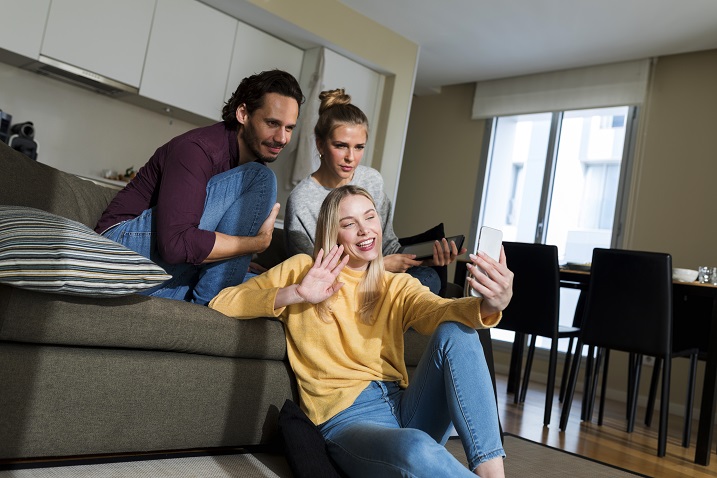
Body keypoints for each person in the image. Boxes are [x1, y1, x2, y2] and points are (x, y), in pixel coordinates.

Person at [210, 185, 512, 477]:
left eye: (370, 217)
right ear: (333, 234)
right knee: (416, 447)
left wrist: (491, 304)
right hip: (347, 422)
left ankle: (493, 474)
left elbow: (441, 311)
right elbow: (224, 301)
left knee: (458, 332)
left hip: (406, 407)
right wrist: (296, 294)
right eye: (349, 223)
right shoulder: (302, 269)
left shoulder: (397, 284)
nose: (365, 229)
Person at [94, 69, 304, 305]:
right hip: (116, 249)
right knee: (262, 178)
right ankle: (213, 305)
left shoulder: (246, 168)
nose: (282, 138)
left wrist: (235, 257)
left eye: (289, 128)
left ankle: (209, 297)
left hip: (160, 267)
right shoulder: (197, 149)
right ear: (243, 113)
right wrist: (254, 244)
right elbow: (174, 244)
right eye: (272, 123)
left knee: (267, 284)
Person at [284, 88, 466, 295]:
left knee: (429, 277)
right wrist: (377, 267)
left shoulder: (371, 180)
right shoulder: (302, 200)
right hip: (339, 288)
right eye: (341, 146)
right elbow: (307, 272)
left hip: (381, 278)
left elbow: (388, 246)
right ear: (320, 144)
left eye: (359, 147)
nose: (350, 157)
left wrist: (427, 258)